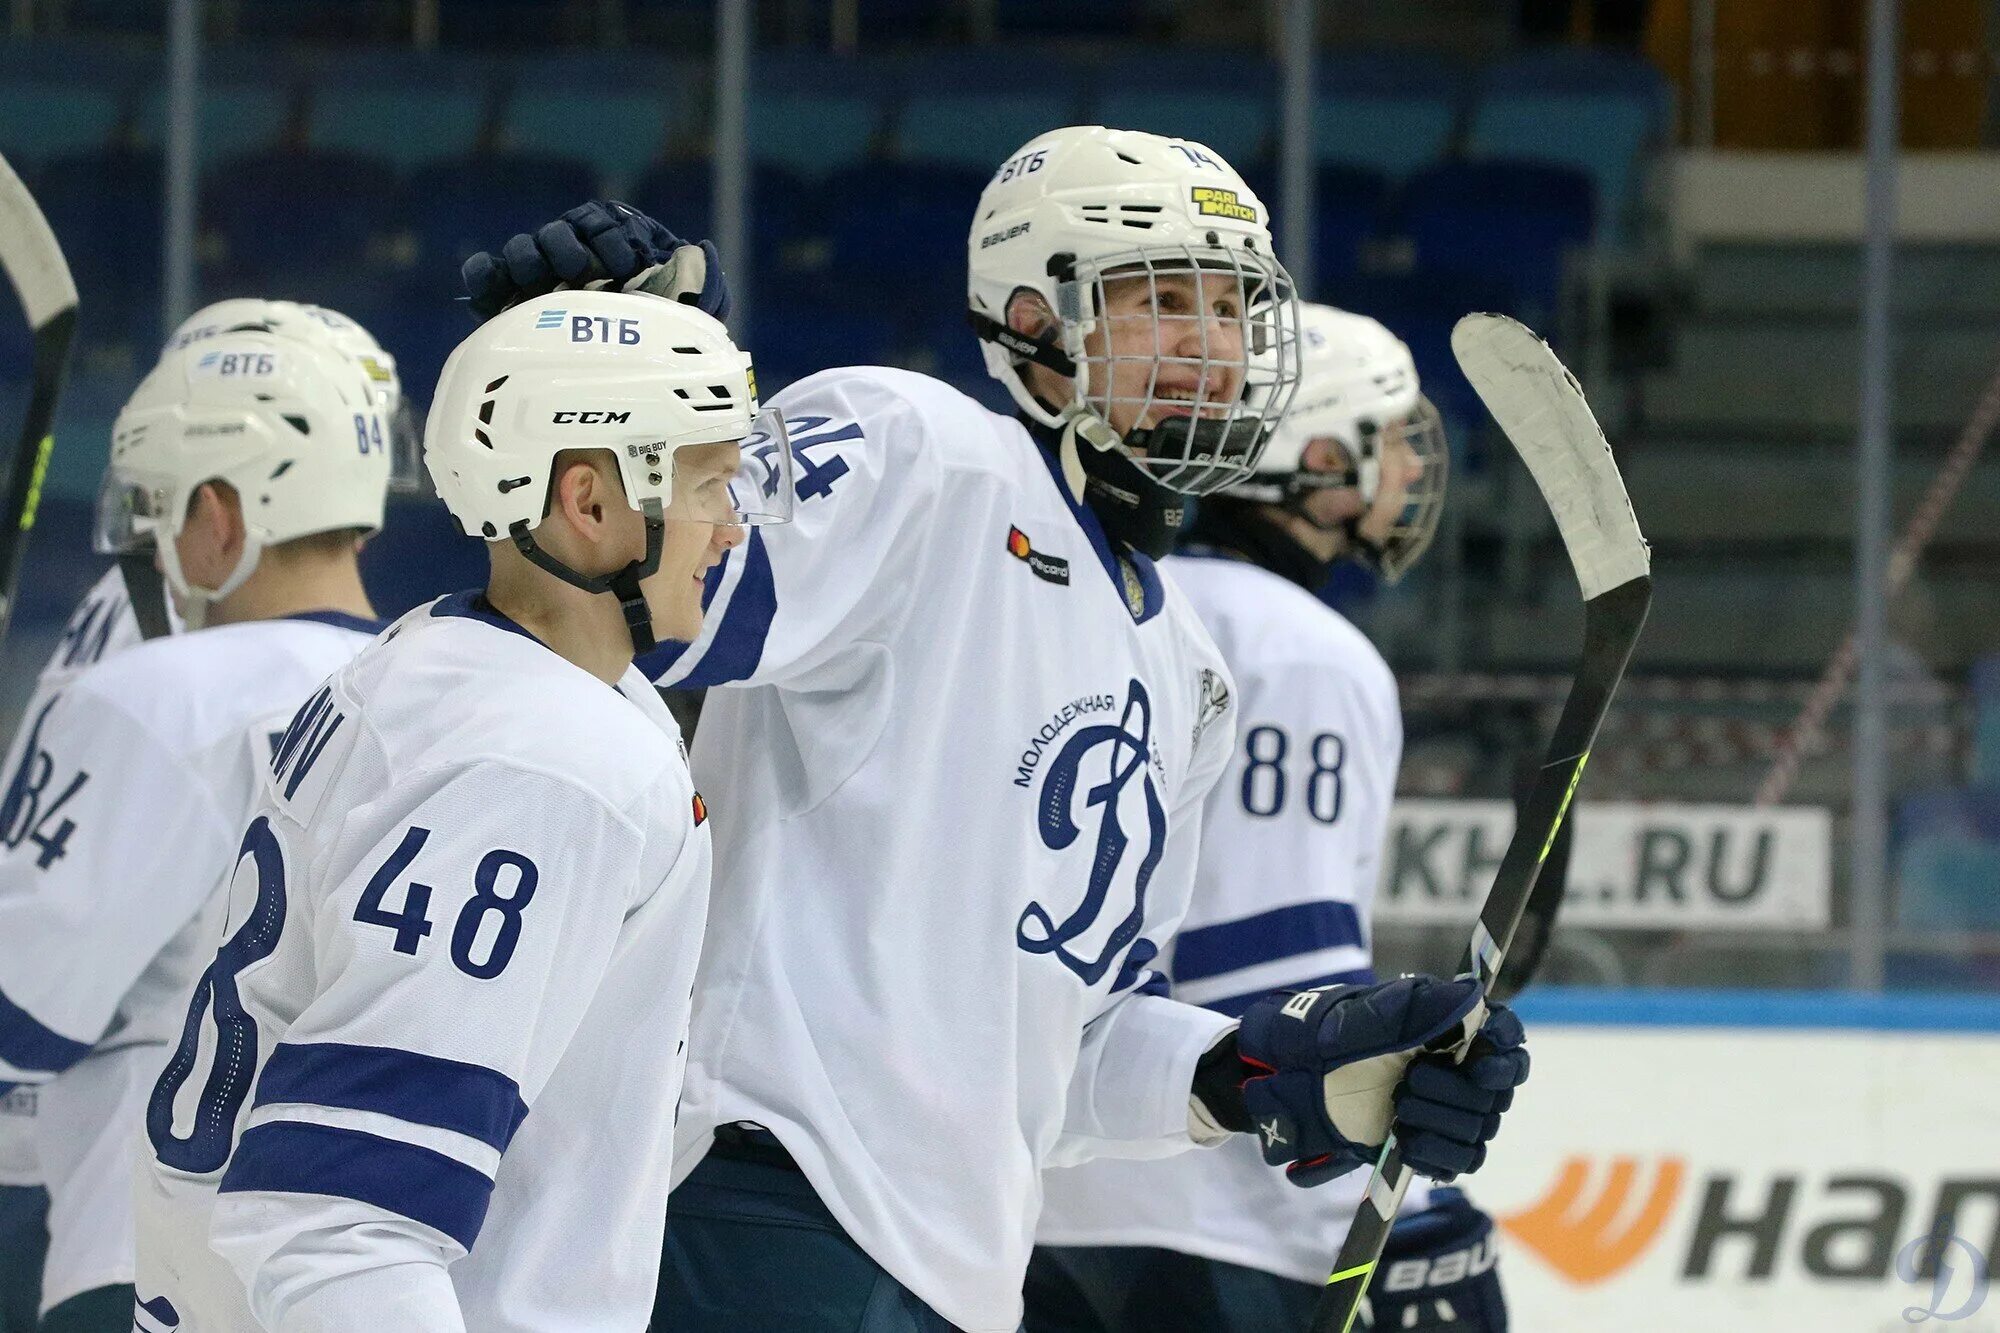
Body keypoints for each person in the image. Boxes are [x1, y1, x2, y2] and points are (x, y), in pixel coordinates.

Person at [466, 128, 1529, 1333]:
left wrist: (1278, 1068)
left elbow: (1075, 1047)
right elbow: (648, 597)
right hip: (759, 1209)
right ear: (1034, 321)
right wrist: (597, 407)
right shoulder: (919, 454)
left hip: (958, 1271)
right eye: (1157, 300)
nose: (1207, 345)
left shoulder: (1185, 671)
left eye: (1231, 309)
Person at [132, 289, 792, 1333]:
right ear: (588, 501)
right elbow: (342, 1225)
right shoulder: (544, 761)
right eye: (709, 483)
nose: (730, 527)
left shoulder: (439, 661)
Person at [1028, 304, 1510, 1332]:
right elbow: (1281, 981)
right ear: (1317, 455)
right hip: (1219, 1235)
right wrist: (1405, 1203)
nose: (1408, 475)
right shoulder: (1296, 652)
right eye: (1381, 444)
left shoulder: (1095, 604)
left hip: (1038, 1206)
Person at [0, 299, 413, 1333]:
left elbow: (19, 1011)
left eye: (163, 509)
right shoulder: (453, 689)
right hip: (382, 1272)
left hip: (146, 1259)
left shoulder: (167, 696)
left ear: (221, 514)